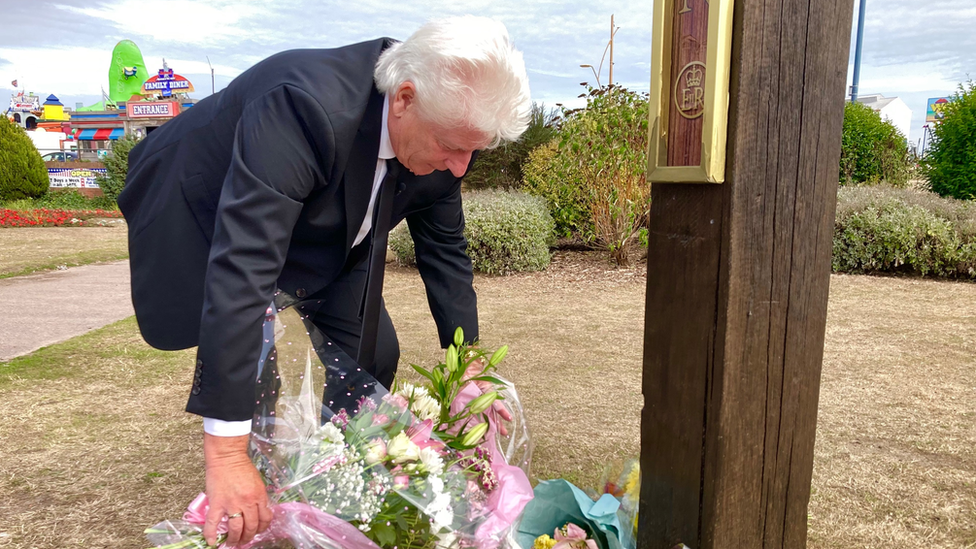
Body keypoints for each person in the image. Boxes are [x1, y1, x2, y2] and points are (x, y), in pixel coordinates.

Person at [118, 16, 530, 547]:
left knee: (374, 352)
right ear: (404, 98)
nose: (460, 168)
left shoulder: (443, 141)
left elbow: (446, 254)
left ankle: (340, 480)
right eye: (453, 146)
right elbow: (245, 266)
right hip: (204, 204)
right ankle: (252, 483)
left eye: (476, 151)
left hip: (329, 228)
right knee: (255, 362)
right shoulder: (302, 103)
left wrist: (466, 363)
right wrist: (225, 454)